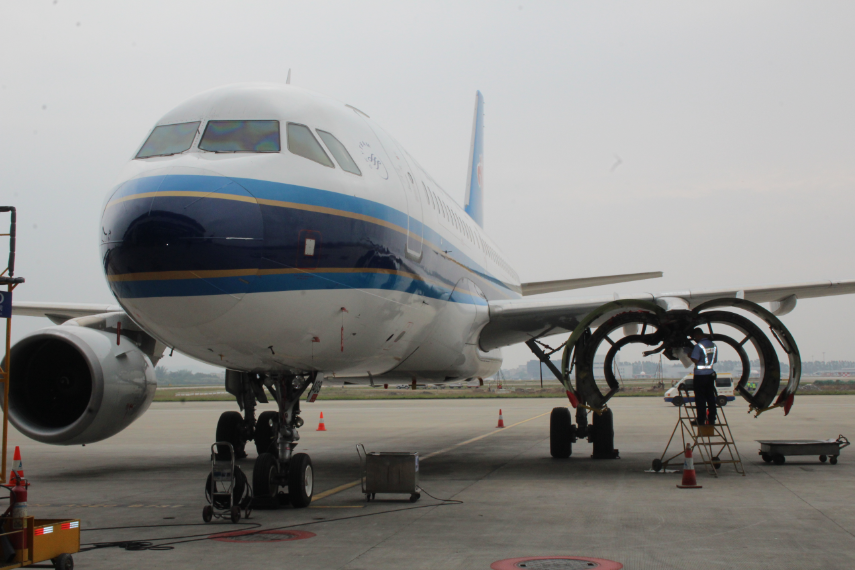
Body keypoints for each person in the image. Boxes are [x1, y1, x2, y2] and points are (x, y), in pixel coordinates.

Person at [689, 328, 718, 425]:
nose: (694, 340)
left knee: (700, 398)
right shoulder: (713, 345)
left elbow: (696, 360)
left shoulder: (698, 346)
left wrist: (690, 355)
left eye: (694, 337)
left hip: (700, 376)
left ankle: (700, 419)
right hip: (710, 374)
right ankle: (712, 418)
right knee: (710, 397)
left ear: (697, 335)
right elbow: (715, 360)